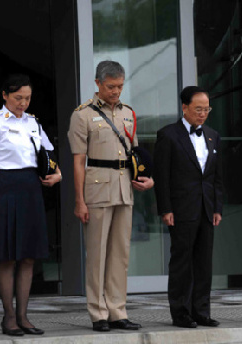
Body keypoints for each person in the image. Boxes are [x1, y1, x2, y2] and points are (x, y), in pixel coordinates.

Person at [68, 60, 153, 332]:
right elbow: (78, 161)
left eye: (119, 86)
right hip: (97, 189)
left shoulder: (128, 113)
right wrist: (79, 200)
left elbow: (134, 154)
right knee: (97, 255)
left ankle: (118, 310)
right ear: (98, 84)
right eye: (110, 86)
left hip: (124, 188)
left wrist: (144, 177)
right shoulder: (82, 115)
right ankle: (98, 313)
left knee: (120, 254)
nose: (116, 91)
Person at [0, 74, 62, 336]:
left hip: (30, 189)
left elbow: (47, 153)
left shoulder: (33, 123)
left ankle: (24, 316)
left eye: (27, 98)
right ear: (4, 95)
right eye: (18, 98)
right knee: (7, 256)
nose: (23, 103)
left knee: (28, 256)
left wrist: (58, 173)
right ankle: (9, 317)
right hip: (4, 186)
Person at [153, 86, 223, 329]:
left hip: (206, 207)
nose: (203, 114)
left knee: (204, 262)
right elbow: (161, 177)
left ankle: (201, 310)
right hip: (181, 207)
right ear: (184, 108)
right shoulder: (168, 135)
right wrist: (165, 209)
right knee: (182, 261)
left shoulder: (213, 135)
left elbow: (215, 177)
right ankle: (181, 312)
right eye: (198, 109)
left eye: (206, 109)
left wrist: (217, 208)